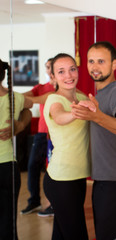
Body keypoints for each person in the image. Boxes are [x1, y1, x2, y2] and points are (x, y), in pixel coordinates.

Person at [71, 41, 116, 240]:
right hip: (103, 180)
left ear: (114, 65)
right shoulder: (100, 94)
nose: (95, 66)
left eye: (101, 61)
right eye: (91, 61)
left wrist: (96, 116)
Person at [43, 53, 90, 239]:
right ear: (53, 77)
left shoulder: (81, 97)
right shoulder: (54, 100)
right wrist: (77, 112)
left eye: (72, 69)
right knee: (77, 234)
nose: (68, 75)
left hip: (78, 177)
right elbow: (60, 116)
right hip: (61, 179)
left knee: (62, 234)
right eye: (61, 72)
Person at [0, 59, 32, 240]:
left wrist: (19, 126)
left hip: (7, 168)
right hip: (8, 169)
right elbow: (29, 108)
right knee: (8, 222)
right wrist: (20, 125)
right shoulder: (16, 98)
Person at [21, 58, 55, 217]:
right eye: (47, 67)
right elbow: (24, 96)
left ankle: (54, 204)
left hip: (57, 134)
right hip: (42, 133)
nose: (49, 70)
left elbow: (48, 98)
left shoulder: (63, 87)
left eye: (51, 67)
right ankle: (34, 201)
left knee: (53, 170)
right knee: (33, 166)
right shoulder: (41, 87)